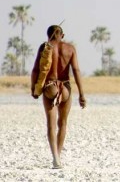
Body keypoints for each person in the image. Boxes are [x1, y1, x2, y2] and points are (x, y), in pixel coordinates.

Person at [31, 25, 86, 169]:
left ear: (48, 35)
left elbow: (36, 69)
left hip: (50, 87)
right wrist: (82, 94)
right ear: (62, 35)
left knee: (51, 123)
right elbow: (76, 70)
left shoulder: (45, 47)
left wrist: (33, 88)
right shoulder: (70, 48)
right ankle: (59, 157)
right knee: (63, 123)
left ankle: (55, 157)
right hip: (66, 87)